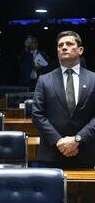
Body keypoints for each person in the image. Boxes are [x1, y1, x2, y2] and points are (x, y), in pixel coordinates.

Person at [32, 30, 95, 168]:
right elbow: (37, 115)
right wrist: (59, 141)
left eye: (69, 44)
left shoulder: (93, 79)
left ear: (80, 50)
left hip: (86, 153)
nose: (64, 47)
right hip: (51, 154)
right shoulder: (44, 80)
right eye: (60, 45)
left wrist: (78, 139)